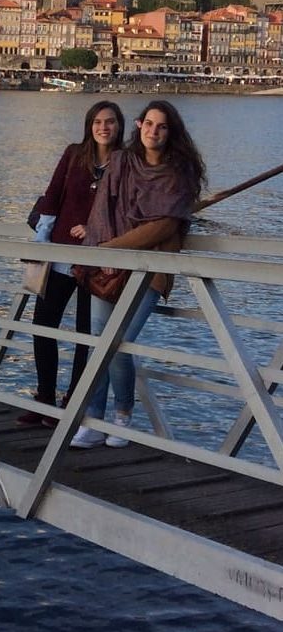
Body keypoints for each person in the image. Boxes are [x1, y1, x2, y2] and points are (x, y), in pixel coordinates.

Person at [70, 100, 206, 449]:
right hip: (109, 266)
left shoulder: (179, 173)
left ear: (170, 132)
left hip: (152, 267)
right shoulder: (122, 162)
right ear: (139, 126)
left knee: (120, 341)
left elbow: (164, 226)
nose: (153, 132)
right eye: (149, 125)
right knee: (99, 342)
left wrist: (115, 247)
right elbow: (104, 209)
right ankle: (94, 419)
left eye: (161, 127)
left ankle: (123, 416)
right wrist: (102, 250)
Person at [18, 102, 125, 427]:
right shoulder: (74, 154)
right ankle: (45, 397)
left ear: (119, 126)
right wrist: (42, 242)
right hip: (62, 253)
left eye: (109, 122)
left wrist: (97, 230)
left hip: (97, 260)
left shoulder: (125, 162)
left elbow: (127, 211)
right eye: (97, 121)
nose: (103, 127)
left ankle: (72, 404)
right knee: (42, 325)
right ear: (89, 125)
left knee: (84, 334)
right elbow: (53, 195)